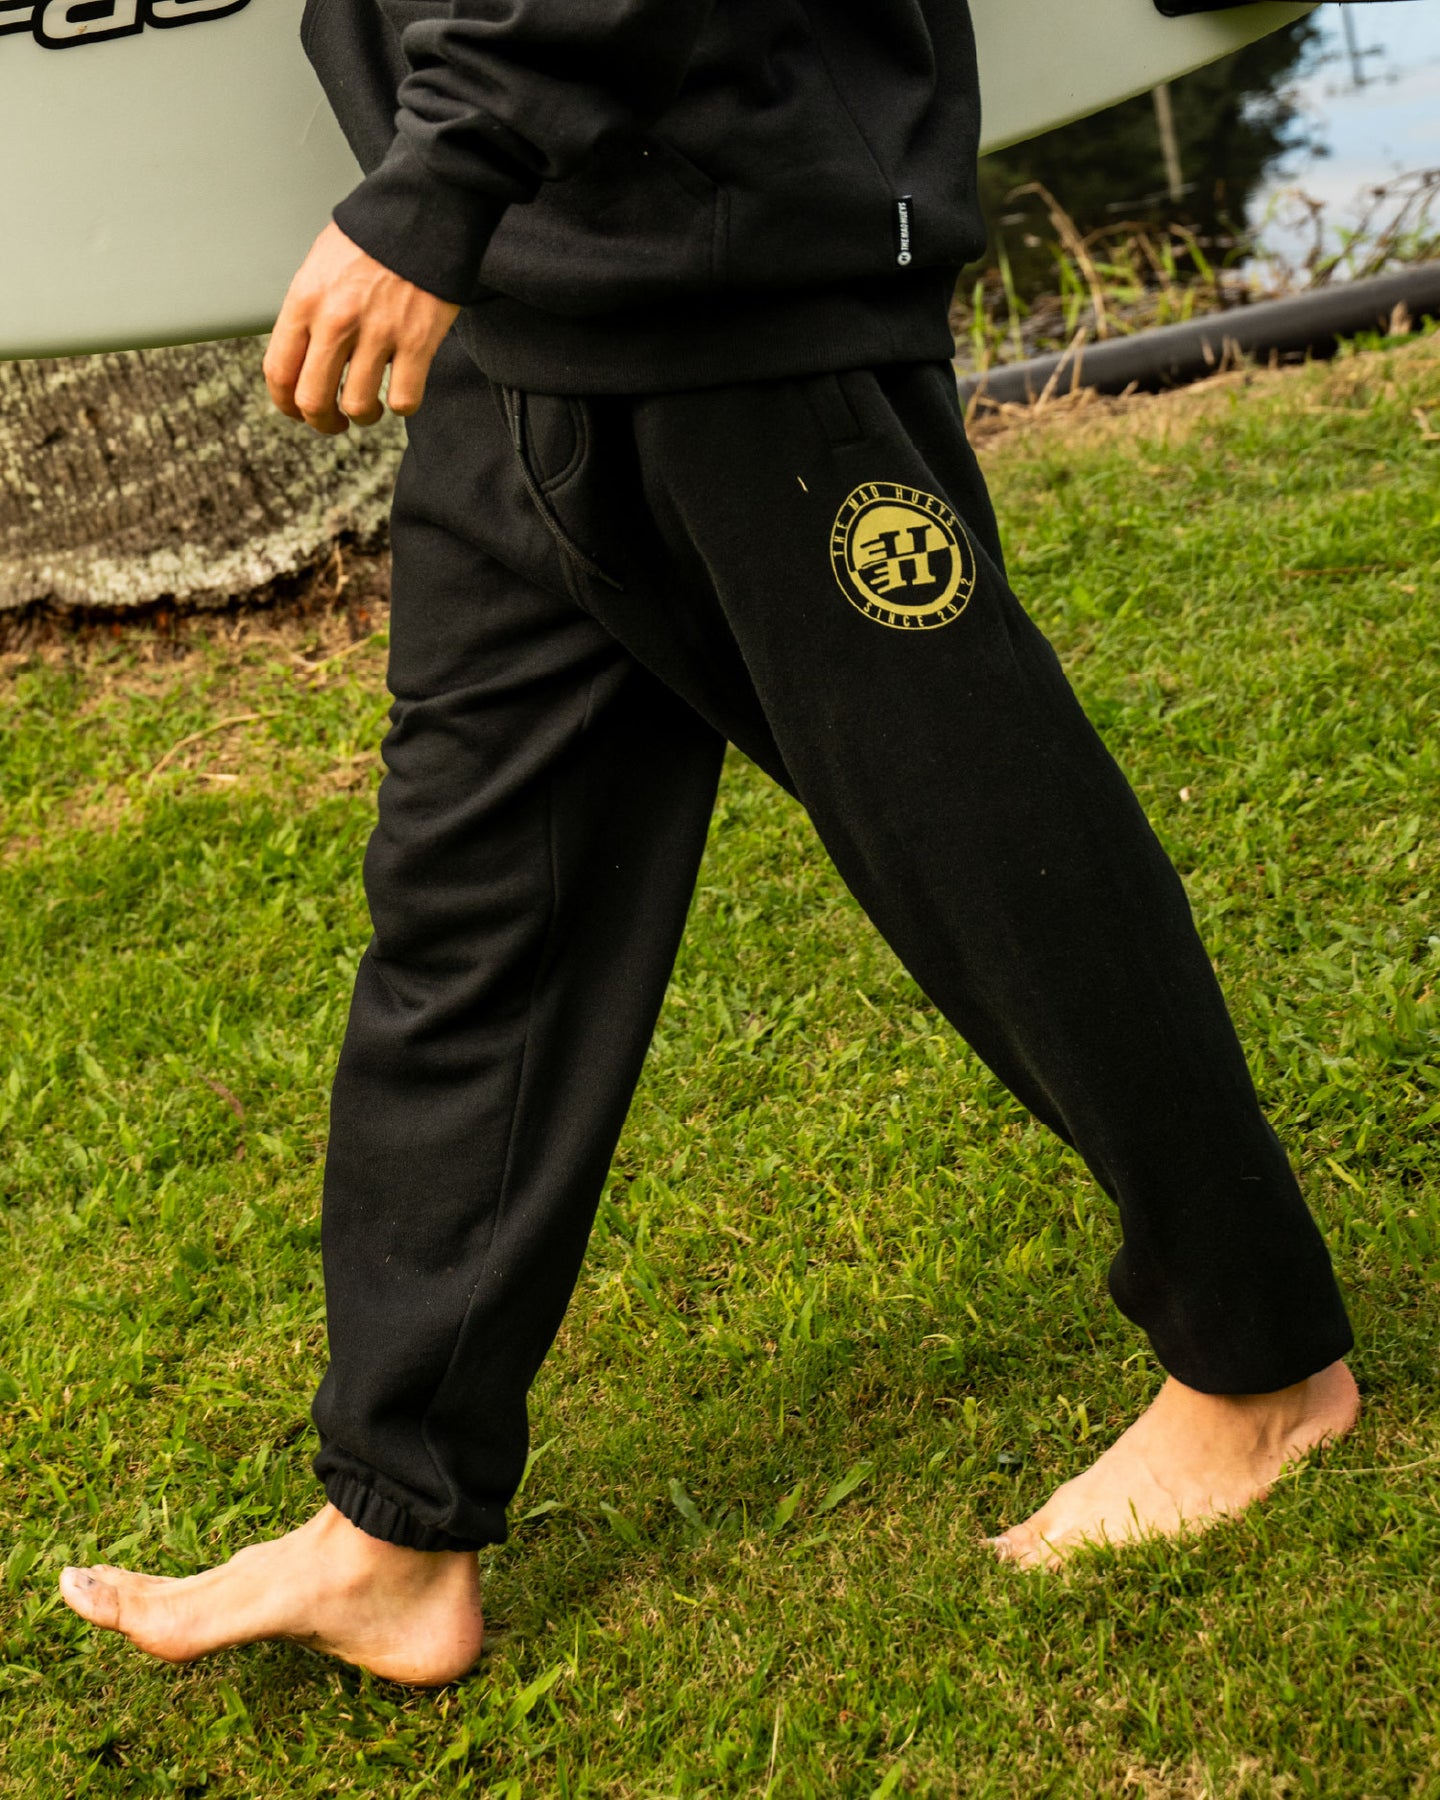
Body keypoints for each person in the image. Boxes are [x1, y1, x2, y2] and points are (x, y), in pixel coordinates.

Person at [59, 0, 1358, 1686]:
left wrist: (441, 171)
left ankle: (1262, 1369)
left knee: (983, 839)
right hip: (522, 297)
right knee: (472, 907)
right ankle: (396, 1522)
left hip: (738, 268)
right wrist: (452, 183)